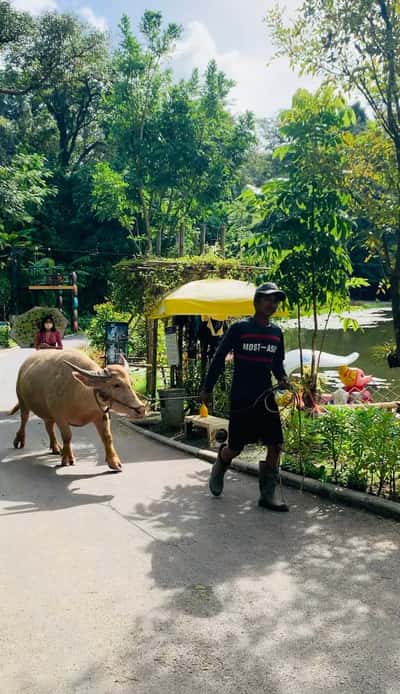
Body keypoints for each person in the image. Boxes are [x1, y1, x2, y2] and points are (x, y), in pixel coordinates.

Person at [200, 282, 290, 512]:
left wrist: (282, 379)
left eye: (276, 300)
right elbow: (219, 358)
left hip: (266, 397)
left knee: (276, 444)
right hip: (242, 397)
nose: (273, 304)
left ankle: (267, 495)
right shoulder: (240, 329)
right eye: (268, 299)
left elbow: (276, 364)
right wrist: (207, 387)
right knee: (236, 447)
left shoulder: (276, 333)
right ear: (257, 302)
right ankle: (222, 460)